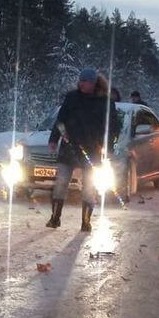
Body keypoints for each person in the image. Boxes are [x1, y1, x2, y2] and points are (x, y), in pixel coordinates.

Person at [46, 68, 119, 233]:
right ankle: (55, 218)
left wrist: (109, 147)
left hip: (92, 150)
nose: (82, 84)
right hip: (69, 148)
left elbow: (113, 127)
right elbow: (61, 120)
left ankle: (86, 222)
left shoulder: (104, 102)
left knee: (88, 186)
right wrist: (53, 139)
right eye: (81, 81)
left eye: (85, 81)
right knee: (61, 182)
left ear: (93, 83)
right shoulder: (72, 98)